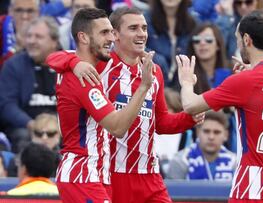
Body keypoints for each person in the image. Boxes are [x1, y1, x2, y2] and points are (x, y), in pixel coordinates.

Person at [46, 7, 204, 203]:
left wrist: (189, 118)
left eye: (144, 28)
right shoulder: (100, 64)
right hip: (113, 173)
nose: (141, 34)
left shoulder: (153, 71)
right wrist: (73, 62)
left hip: (148, 173)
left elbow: (161, 122)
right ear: (116, 35)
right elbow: (55, 57)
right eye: (133, 28)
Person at [176, 10, 263, 202]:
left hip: (252, 188)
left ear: (247, 39)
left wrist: (187, 82)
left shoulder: (245, 81)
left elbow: (190, 106)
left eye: (237, 38)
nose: (237, 43)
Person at [50, 8, 155, 203]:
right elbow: (117, 127)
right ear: (83, 37)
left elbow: (54, 57)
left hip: (96, 173)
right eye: (104, 33)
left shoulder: (81, 69)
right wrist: (143, 88)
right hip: (81, 173)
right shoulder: (83, 79)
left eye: (111, 32)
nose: (112, 38)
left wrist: (73, 62)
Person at [0, 17, 59, 153]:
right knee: (23, 137)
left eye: (38, 37)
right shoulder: (13, 65)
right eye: (29, 36)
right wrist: (31, 124)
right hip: (24, 127)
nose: (31, 41)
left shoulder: (68, 66)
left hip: (59, 127)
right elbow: (6, 104)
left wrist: (56, 126)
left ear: (53, 42)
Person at [167, 110, 236, 180]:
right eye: (206, 131)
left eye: (217, 132)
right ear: (198, 132)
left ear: (226, 135)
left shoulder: (235, 163)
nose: (211, 137)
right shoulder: (181, 161)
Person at [0, 0, 40, 69]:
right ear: (10, 11)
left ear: (38, 13)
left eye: (30, 11)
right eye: (19, 10)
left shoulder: (47, 31)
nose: (24, 17)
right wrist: (17, 47)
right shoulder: (1, 25)